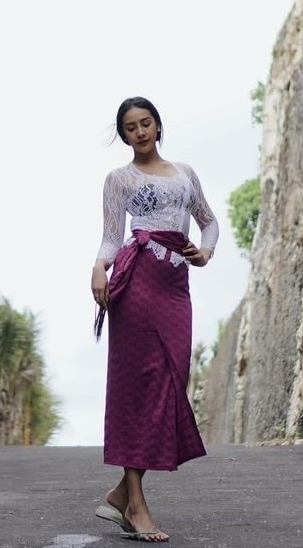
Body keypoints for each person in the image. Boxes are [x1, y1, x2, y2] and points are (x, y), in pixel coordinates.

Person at [90, 96, 219, 543]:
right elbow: (111, 237)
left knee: (171, 380)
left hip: (175, 286)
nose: (140, 132)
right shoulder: (118, 179)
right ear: (124, 135)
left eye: (146, 123)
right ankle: (136, 504)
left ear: (158, 126)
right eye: (131, 127)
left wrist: (204, 253)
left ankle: (119, 494)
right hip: (137, 281)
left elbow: (208, 222)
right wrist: (98, 267)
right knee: (138, 386)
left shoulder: (185, 174)